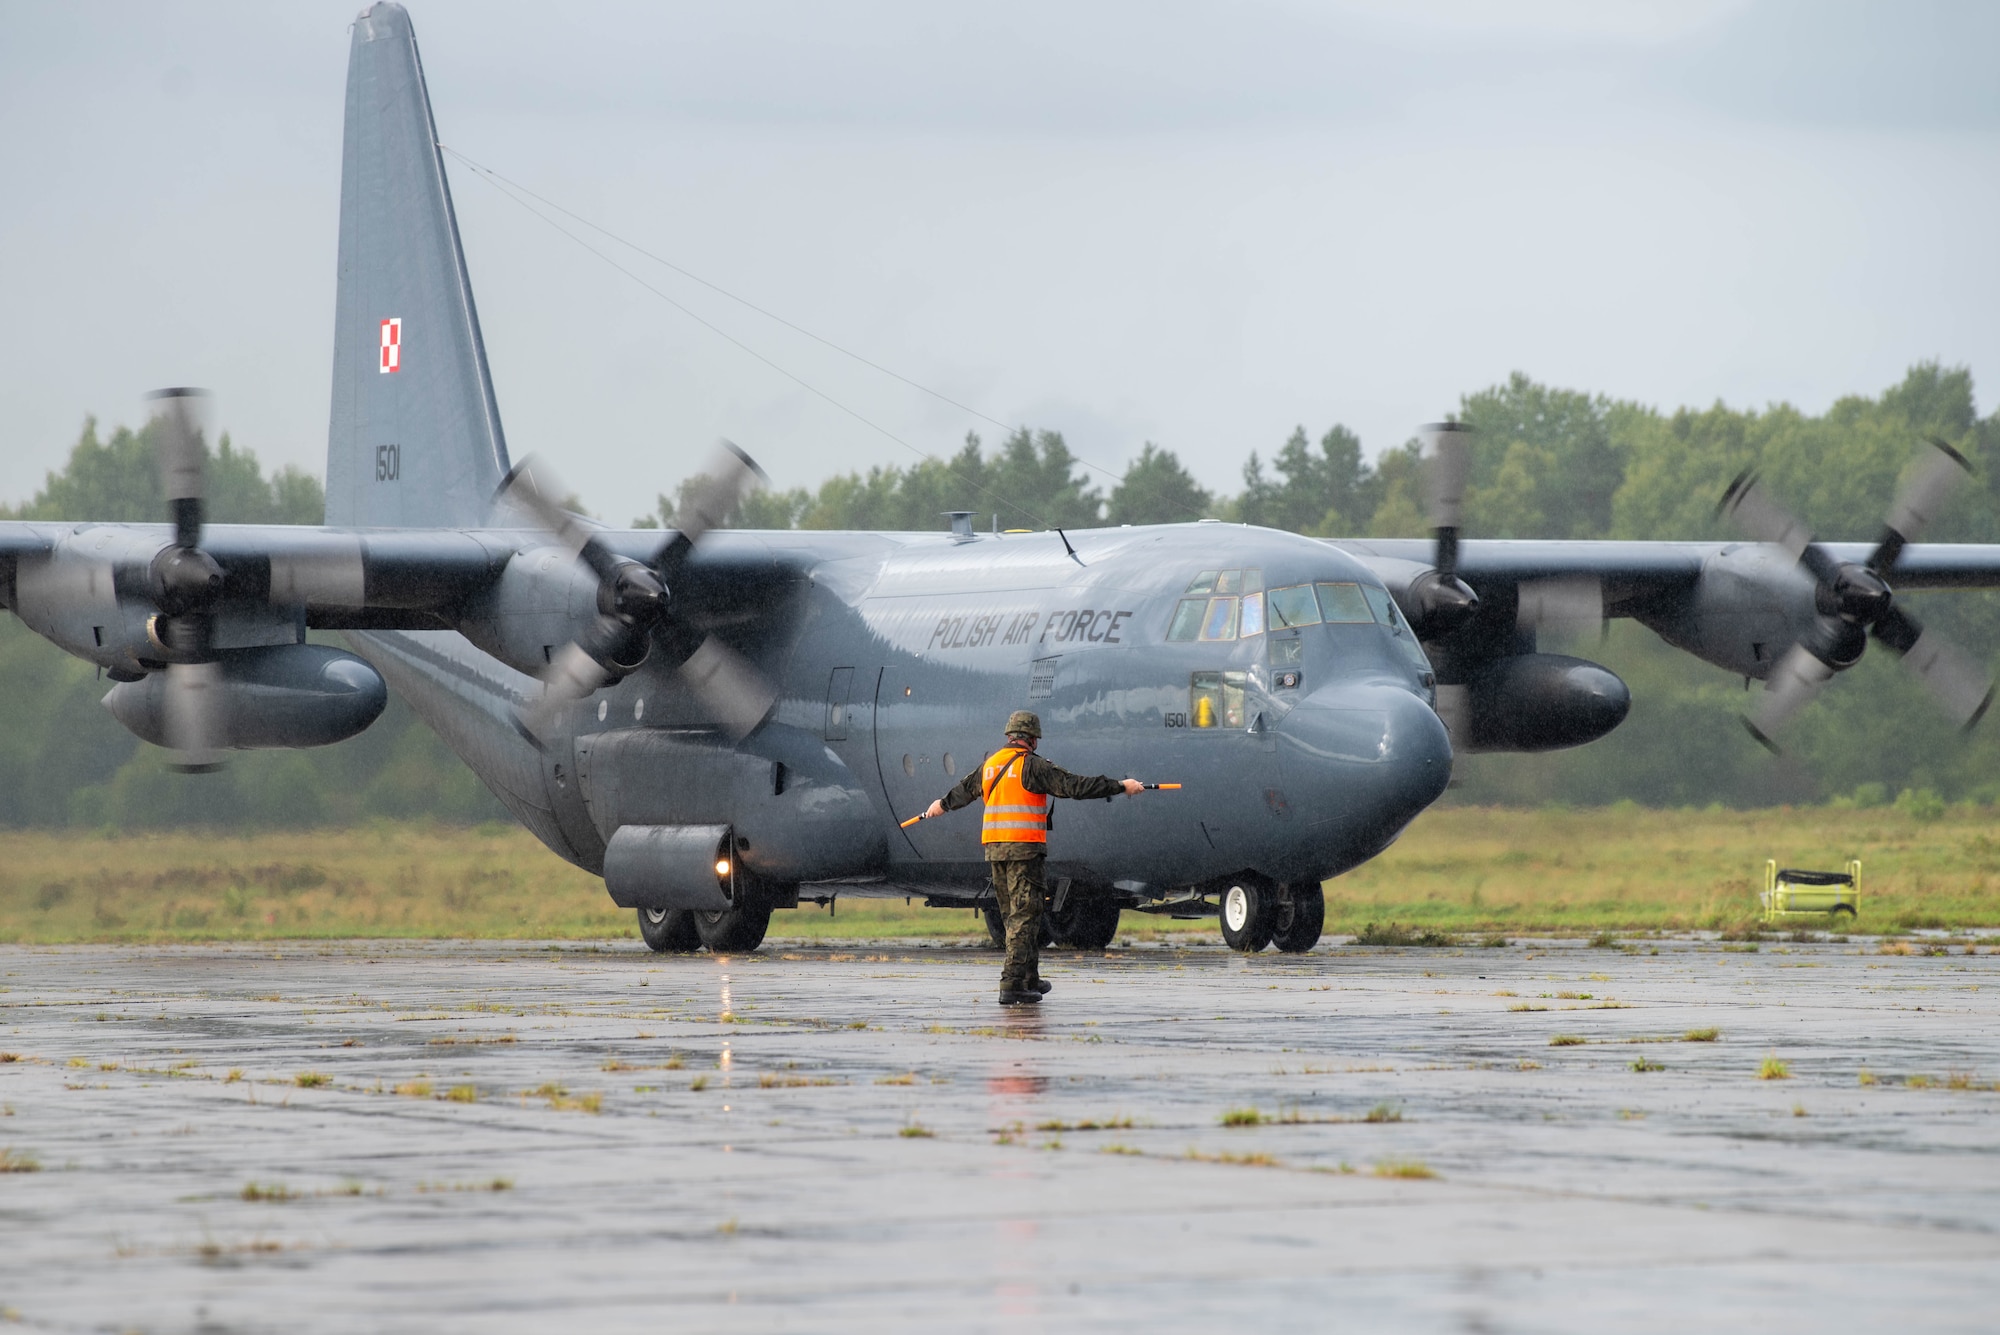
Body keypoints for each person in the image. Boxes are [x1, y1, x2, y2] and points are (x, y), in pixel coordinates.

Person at [924, 710, 1145, 1005]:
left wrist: (941, 804)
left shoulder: (990, 766)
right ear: (1033, 739)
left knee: (1013, 915)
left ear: (1009, 736)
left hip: (995, 849)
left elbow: (964, 791)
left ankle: (1029, 978)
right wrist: (1120, 785)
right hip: (1024, 851)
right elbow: (1074, 786)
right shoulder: (1033, 767)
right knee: (1025, 916)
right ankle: (1012, 984)